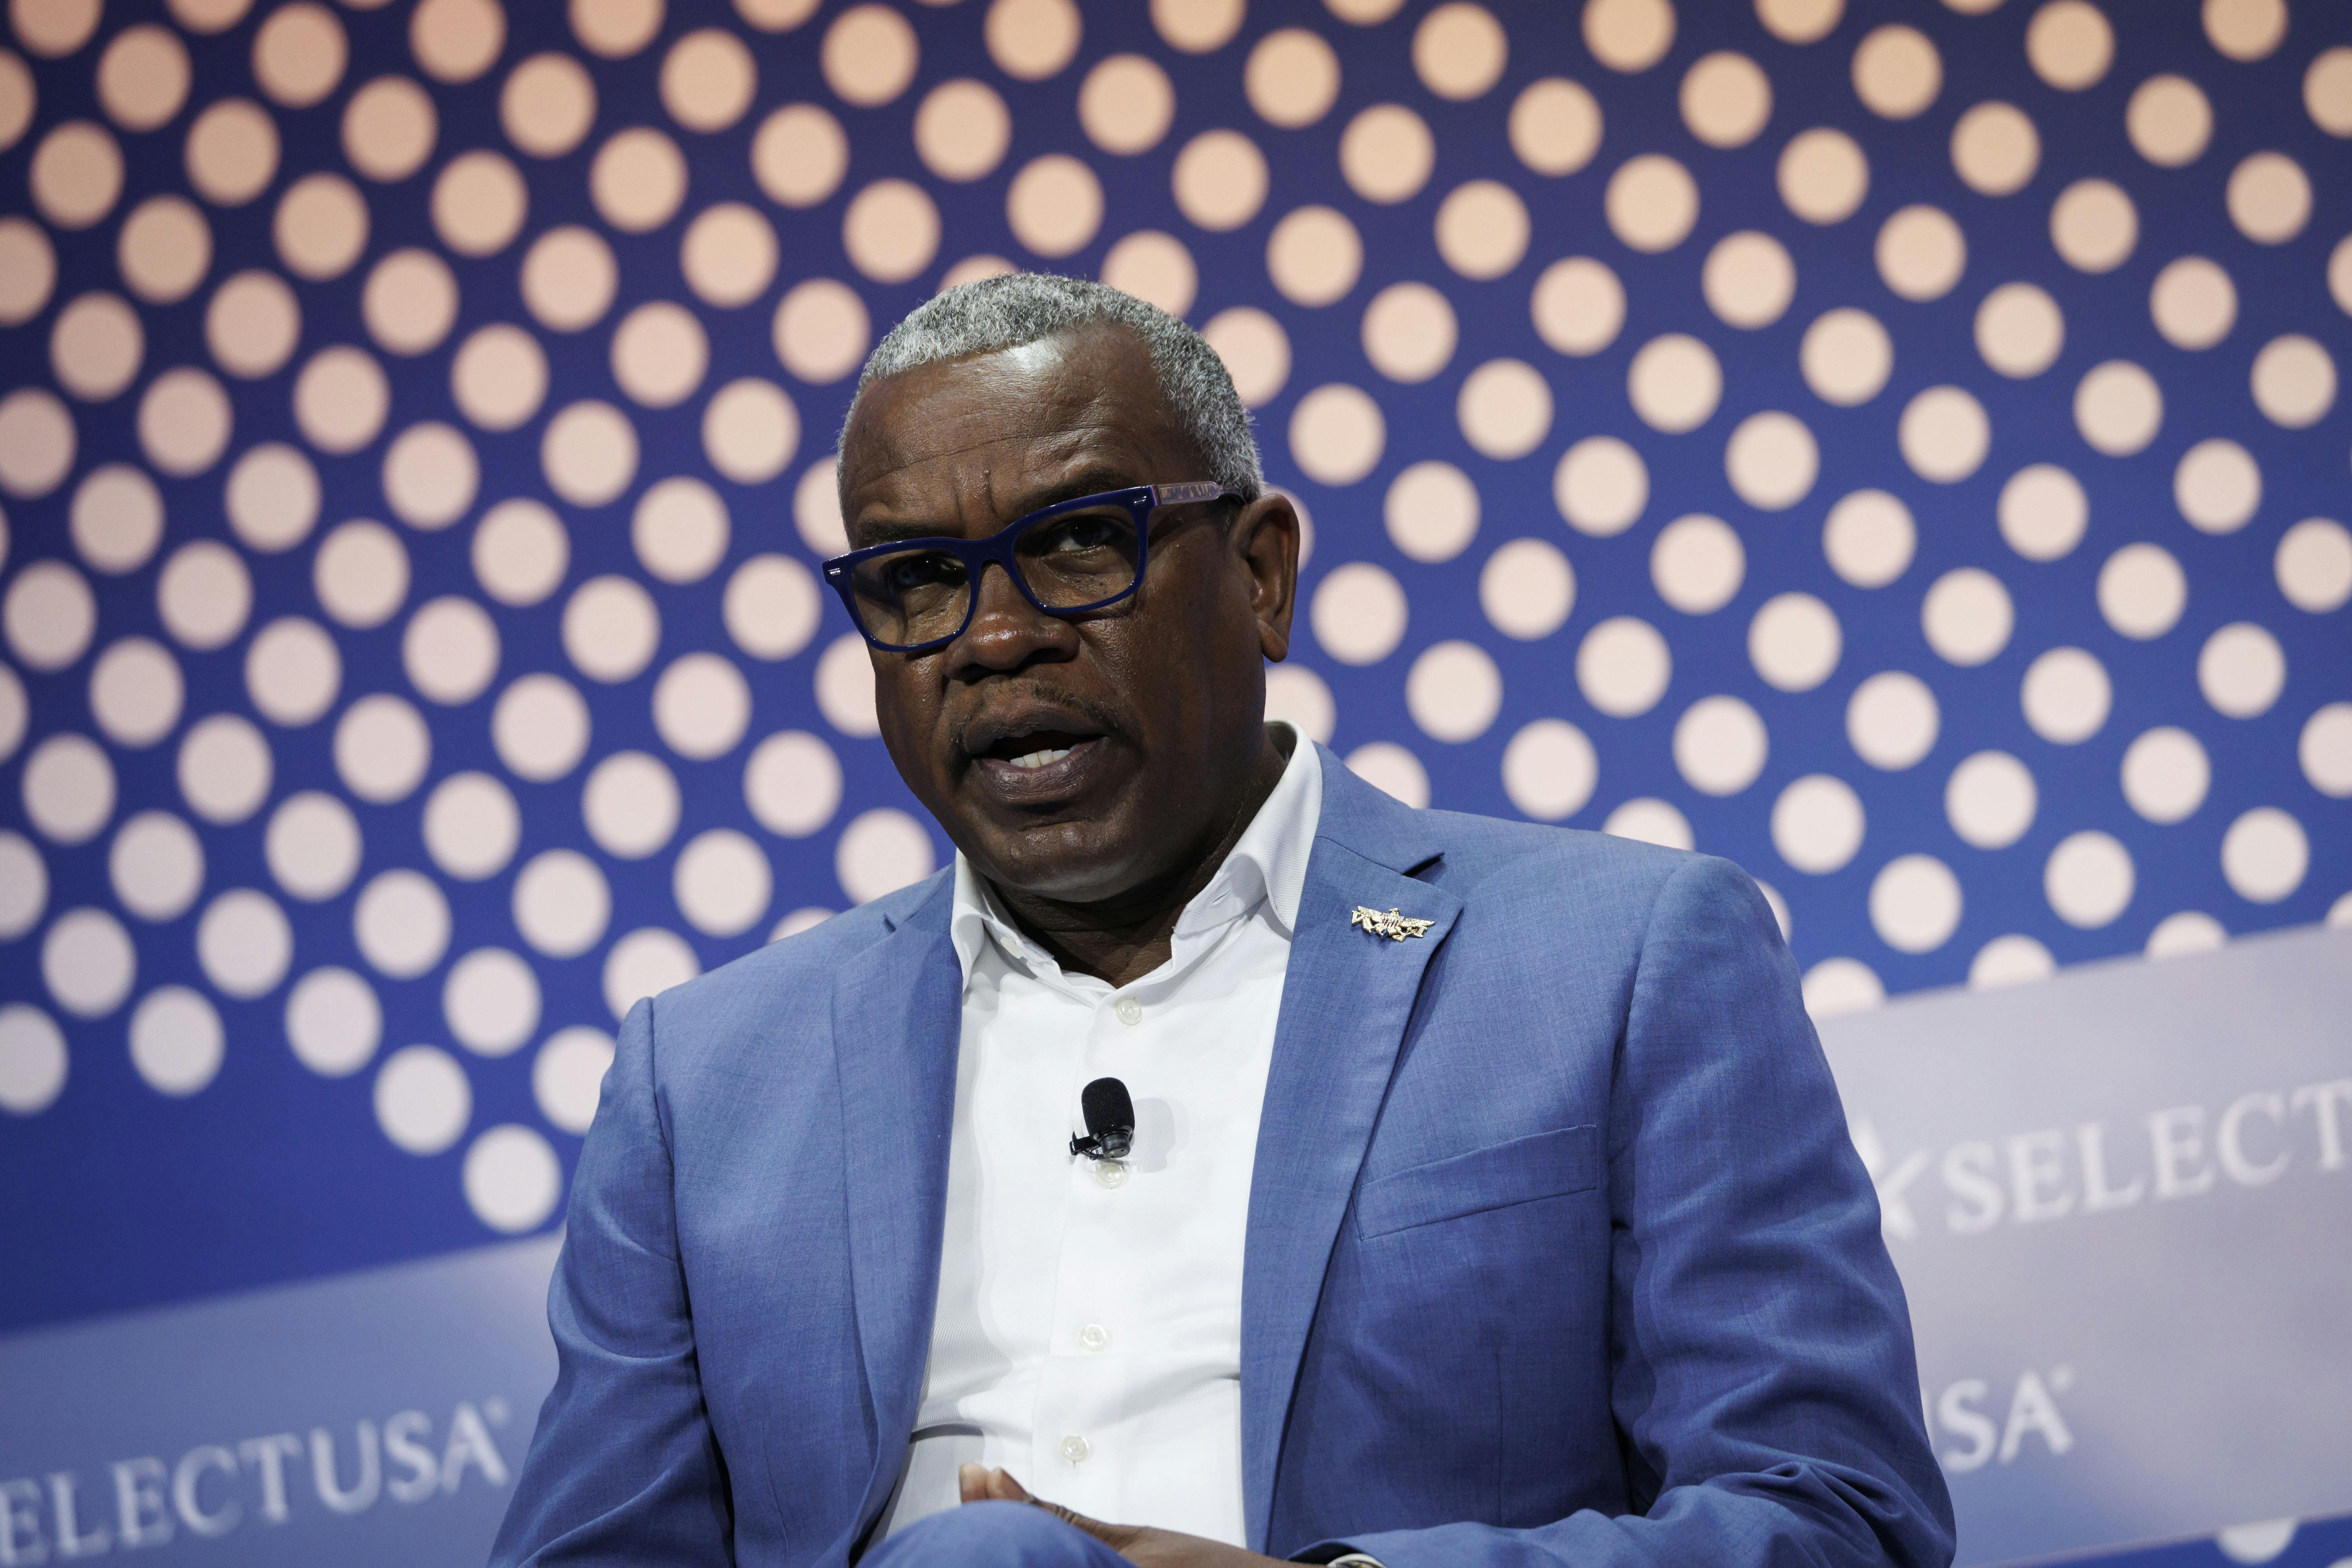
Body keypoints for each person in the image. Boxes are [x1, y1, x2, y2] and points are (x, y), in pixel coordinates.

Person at [492, 274, 1955, 1568]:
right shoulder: (706, 1082)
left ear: (1262, 575)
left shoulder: (1625, 964)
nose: (996, 639)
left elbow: (1835, 1515)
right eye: (920, 580)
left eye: (1076, 541)